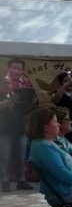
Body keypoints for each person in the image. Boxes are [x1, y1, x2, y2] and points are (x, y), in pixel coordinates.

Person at [4, 59, 36, 190]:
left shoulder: (26, 82)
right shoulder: (3, 81)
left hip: (21, 125)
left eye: (19, 69)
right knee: (5, 156)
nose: (17, 71)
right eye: (14, 68)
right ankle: (4, 180)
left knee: (21, 156)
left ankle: (21, 180)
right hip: (4, 126)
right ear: (8, 68)